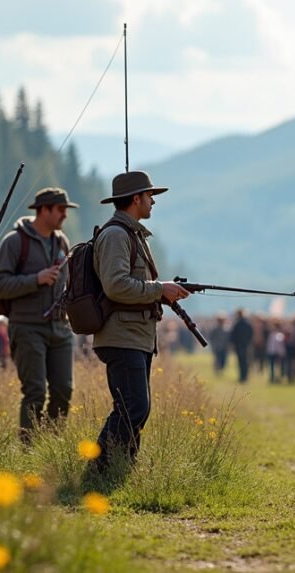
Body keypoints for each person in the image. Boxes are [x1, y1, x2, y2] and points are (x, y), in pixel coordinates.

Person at [85, 171, 190, 478]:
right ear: (135, 199)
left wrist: (162, 291)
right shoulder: (117, 235)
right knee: (134, 407)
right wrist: (160, 289)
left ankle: (121, 469)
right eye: (149, 195)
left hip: (135, 335)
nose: (153, 200)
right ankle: (99, 470)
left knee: (134, 408)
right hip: (122, 335)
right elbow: (116, 286)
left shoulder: (131, 234)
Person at [0, 187, 77, 444]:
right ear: (44, 210)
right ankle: (29, 449)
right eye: (60, 210)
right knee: (35, 391)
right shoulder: (14, 242)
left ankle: (51, 445)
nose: (64, 215)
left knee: (64, 391)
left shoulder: (62, 242)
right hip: (27, 327)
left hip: (60, 328)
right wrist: (35, 280)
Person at [229, 309, 254, 383]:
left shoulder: (236, 324)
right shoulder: (248, 324)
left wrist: (233, 344)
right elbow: (251, 335)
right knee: (246, 361)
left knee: (241, 362)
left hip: (239, 345)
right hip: (246, 345)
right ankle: (245, 377)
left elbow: (233, 336)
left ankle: (242, 377)